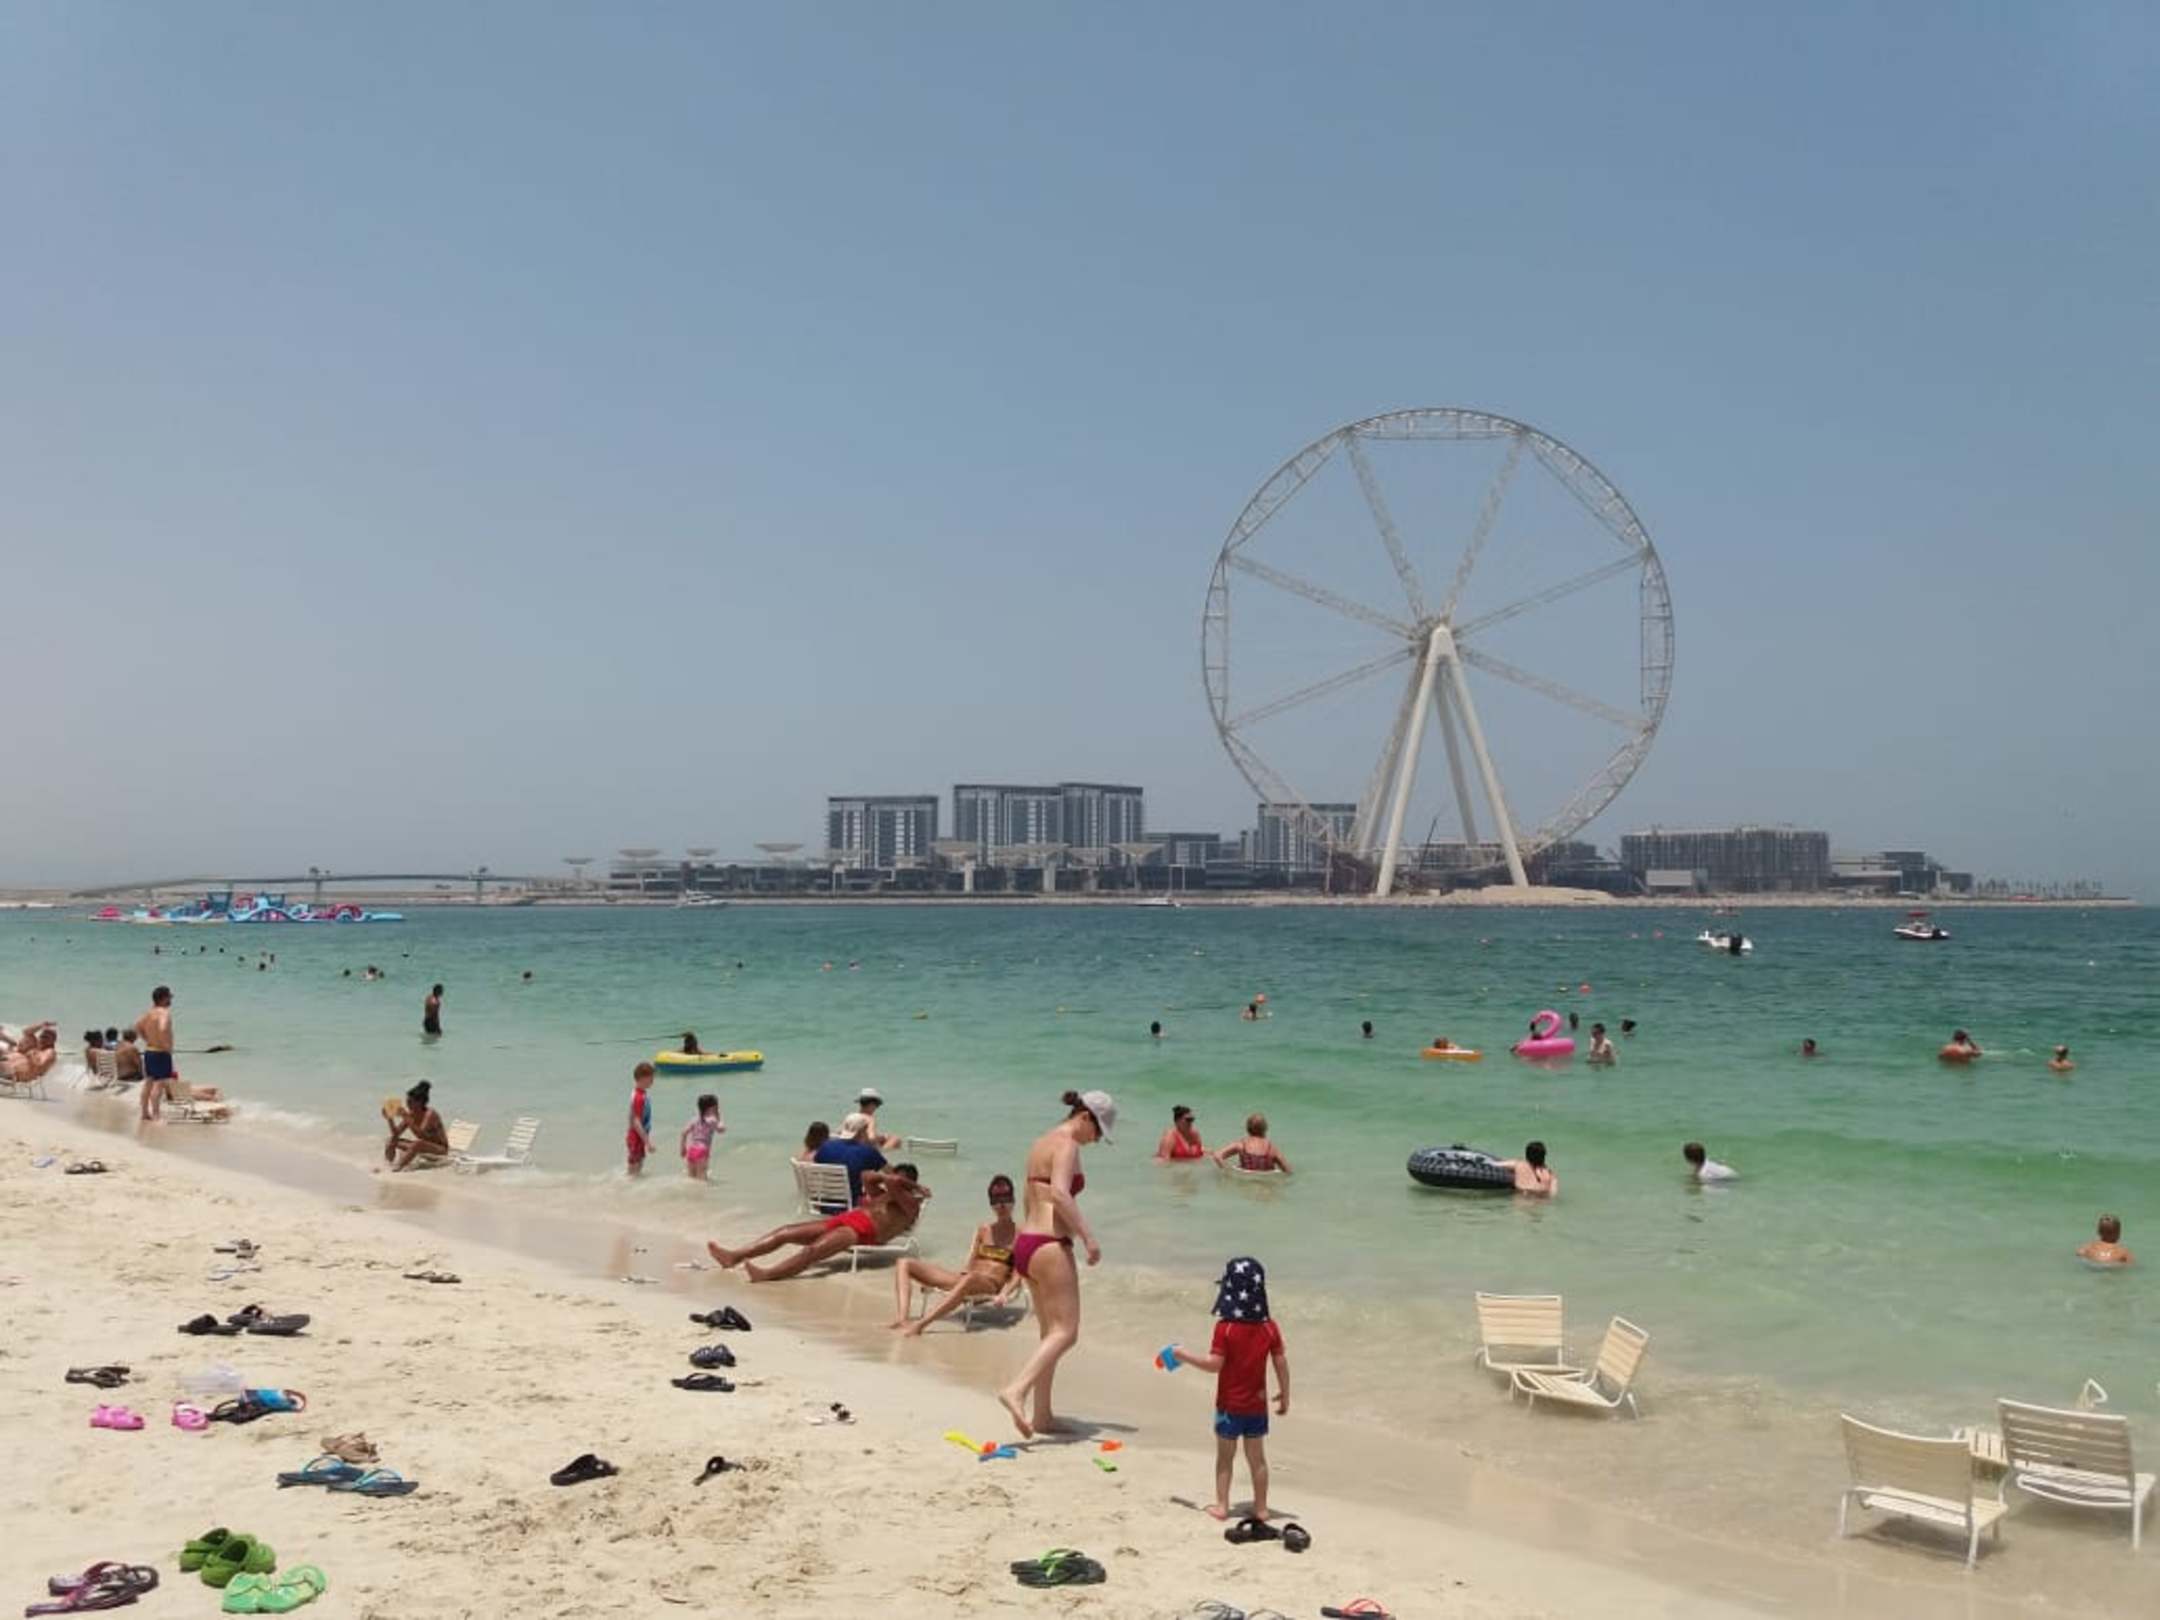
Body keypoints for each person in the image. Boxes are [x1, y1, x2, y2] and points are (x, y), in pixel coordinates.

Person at [997, 1089, 1114, 1439]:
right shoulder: (1067, 1144)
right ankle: (1016, 1390)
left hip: (1028, 1243)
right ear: (1085, 1117)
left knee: (1050, 1334)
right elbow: (1060, 1194)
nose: (1096, 1139)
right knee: (1067, 1332)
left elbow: (1031, 1196)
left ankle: (1043, 1415)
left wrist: (1024, 1247)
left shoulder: (1040, 1142)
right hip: (1049, 1244)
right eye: (1098, 1131)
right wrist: (1088, 1238)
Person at [1163, 1256, 1289, 1523]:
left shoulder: (1226, 1328)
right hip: (1256, 1406)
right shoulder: (1269, 1328)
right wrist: (1285, 1393)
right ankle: (1262, 1508)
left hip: (1229, 1406)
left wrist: (1182, 1355)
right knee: (1257, 1459)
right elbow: (1280, 1361)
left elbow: (1214, 1365)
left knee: (1225, 1458)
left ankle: (1222, 1506)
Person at [709, 1164, 928, 1282]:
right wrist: (886, 1178)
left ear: (910, 1184)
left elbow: (895, 1182)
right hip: (845, 1220)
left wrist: (907, 1185)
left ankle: (767, 1275)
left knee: (811, 1252)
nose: (891, 1182)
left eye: (900, 1181)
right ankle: (733, 1256)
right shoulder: (883, 1195)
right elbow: (865, 1176)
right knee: (785, 1232)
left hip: (861, 1232)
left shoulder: (910, 1205)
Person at [888, 1175, 1020, 1335]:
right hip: (966, 1279)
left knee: (970, 1279)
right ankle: (902, 1319)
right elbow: (971, 1261)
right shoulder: (983, 1230)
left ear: (1013, 1201)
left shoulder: (1020, 1235)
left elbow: (1018, 1274)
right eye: (996, 1201)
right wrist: (960, 1276)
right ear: (991, 1204)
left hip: (990, 1285)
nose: (1001, 1206)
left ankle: (921, 1325)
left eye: (1006, 1200)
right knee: (904, 1263)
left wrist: (1005, 1293)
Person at [813, 1113, 888, 1203]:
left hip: (824, 1203)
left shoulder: (825, 1147)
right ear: (862, 1131)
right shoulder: (866, 1151)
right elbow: (890, 1173)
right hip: (852, 1204)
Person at [384, 1081, 450, 1170]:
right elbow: (396, 1134)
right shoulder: (411, 1114)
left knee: (417, 1143)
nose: (407, 1104)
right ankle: (388, 1165)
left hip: (440, 1149)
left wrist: (406, 1117)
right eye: (407, 1101)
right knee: (391, 1140)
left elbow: (420, 1135)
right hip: (423, 1146)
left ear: (420, 1102)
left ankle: (398, 1167)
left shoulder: (430, 1114)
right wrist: (390, 1119)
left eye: (410, 1102)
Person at [138, 986, 176, 1121]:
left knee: (148, 1082)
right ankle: (156, 1114)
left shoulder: (149, 1013)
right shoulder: (164, 1013)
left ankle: (144, 1113)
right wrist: (166, 1045)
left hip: (149, 1051)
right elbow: (163, 1027)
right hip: (161, 1053)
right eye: (169, 997)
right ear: (164, 998)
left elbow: (138, 1027)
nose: (171, 1000)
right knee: (158, 1085)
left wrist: (148, 1039)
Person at [1215, 1113, 1290, 1175]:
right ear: (1265, 1129)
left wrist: (1227, 1172)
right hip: (1265, 1184)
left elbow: (1217, 1155)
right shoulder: (1271, 1149)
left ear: (1247, 1129)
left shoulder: (1241, 1145)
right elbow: (1288, 1171)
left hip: (1245, 1182)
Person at [681, 1092, 724, 1181]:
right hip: (702, 1151)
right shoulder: (712, 1120)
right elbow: (721, 1130)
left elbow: (684, 1133)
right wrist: (719, 1119)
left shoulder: (694, 1119)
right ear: (712, 1108)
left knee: (691, 1177)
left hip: (691, 1150)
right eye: (716, 1107)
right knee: (702, 1179)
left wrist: (683, 1148)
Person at [625, 1062, 654, 1176]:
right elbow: (635, 1121)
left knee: (637, 1167)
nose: (652, 1080)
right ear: (642, 1078)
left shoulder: (640, 1093)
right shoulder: (639, 1097)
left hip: (637, 1136)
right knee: (635, 1169)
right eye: (651, 1077)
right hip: (636, 1136)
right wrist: (648, 1142)